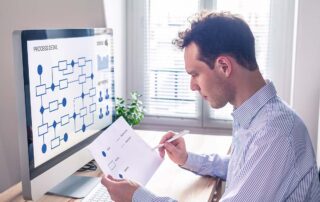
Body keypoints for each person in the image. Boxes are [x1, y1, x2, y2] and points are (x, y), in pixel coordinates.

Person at [101, 11, 320, 201]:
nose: (192, 86)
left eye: (195, 74)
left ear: (224, 66)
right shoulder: (259, 116)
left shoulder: (276, 133)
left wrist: (137, 197)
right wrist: (187, 159)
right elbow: (241, 170)